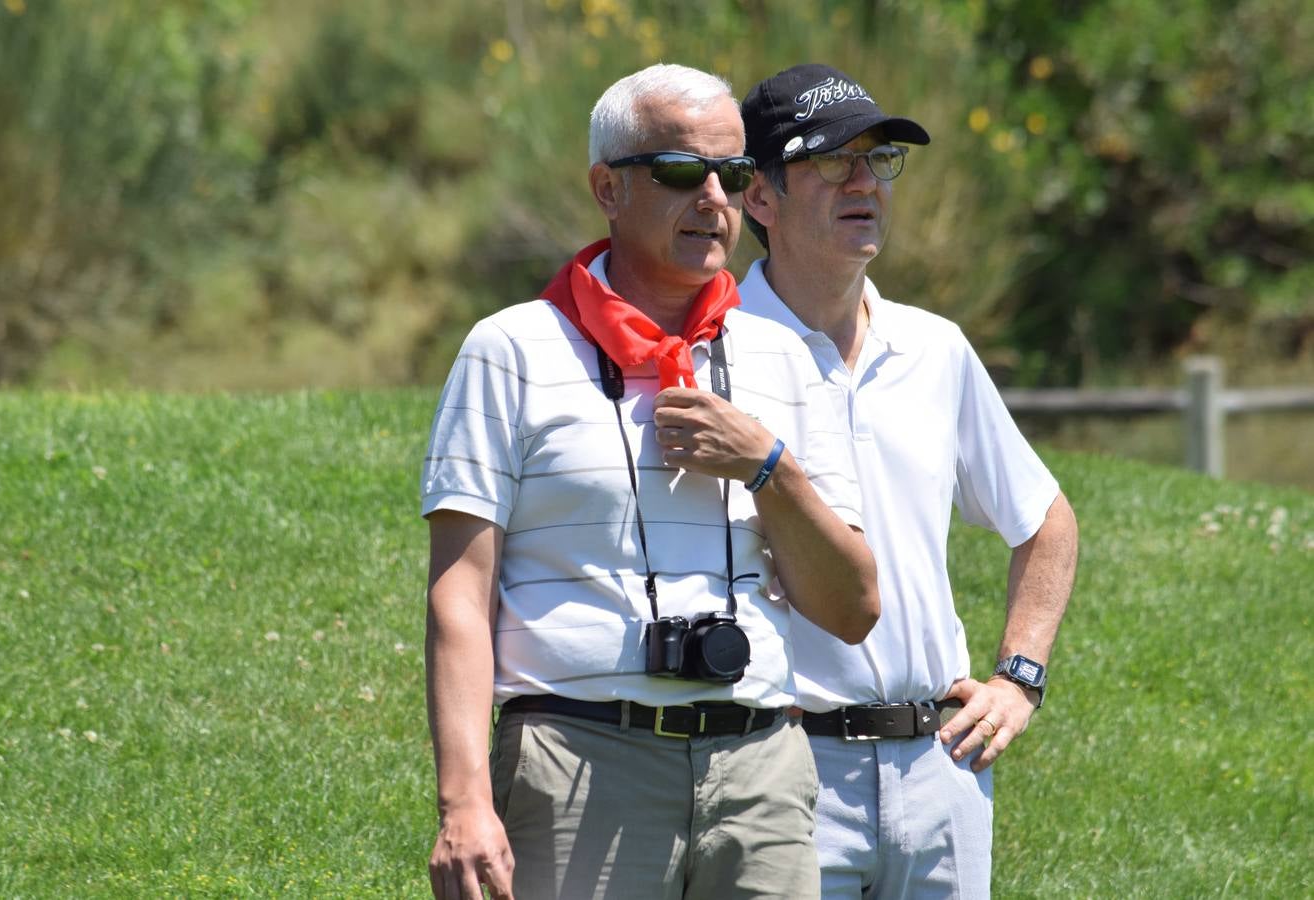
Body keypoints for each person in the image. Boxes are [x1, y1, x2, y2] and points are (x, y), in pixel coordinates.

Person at [422, 63, 881, 900]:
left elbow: (851, 609)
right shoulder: (512, 349)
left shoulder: (787, 358)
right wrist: (465, 803)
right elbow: (459, 596)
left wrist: (767, 467)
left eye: (735, 176)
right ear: (607, 187)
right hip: (580, 761)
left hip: (762, 772)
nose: (714, 198)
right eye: (679, 172)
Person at [737, 64, 1080, 898]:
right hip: (783, 771)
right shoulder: (719, 351)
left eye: (877, 160)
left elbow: (1046, 521)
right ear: (759, 199)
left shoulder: (935, 348)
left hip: (942, 769)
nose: (865, 183)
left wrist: (1019, 680)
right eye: (831, 162)